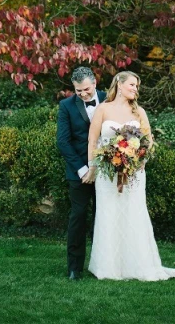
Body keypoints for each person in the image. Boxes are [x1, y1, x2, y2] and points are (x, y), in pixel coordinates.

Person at [86, 71, 175, 281]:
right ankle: (108, 267)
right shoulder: (102, 109)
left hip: (133, 175)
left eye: (137, 86)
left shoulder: (139, 111)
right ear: (120, 84)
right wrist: (93, 167)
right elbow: (93, 140)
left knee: (134, 215)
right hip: (107, 176)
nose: (135, 89)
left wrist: (137, 162)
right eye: (132, 85)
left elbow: (148, 142)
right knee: (109, 215)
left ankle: (138, 265)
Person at [56, 66, 106, 280]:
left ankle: (102, 265)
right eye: (78, 91)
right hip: (79, 173)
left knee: (104, 217)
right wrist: (83, 168)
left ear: (94, 83)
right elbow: (63, 141)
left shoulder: (110, 99)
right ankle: (74, 268)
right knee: (78, 217)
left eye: (86, 89)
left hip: (107, 171)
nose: (83, 94)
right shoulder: (66, 106)